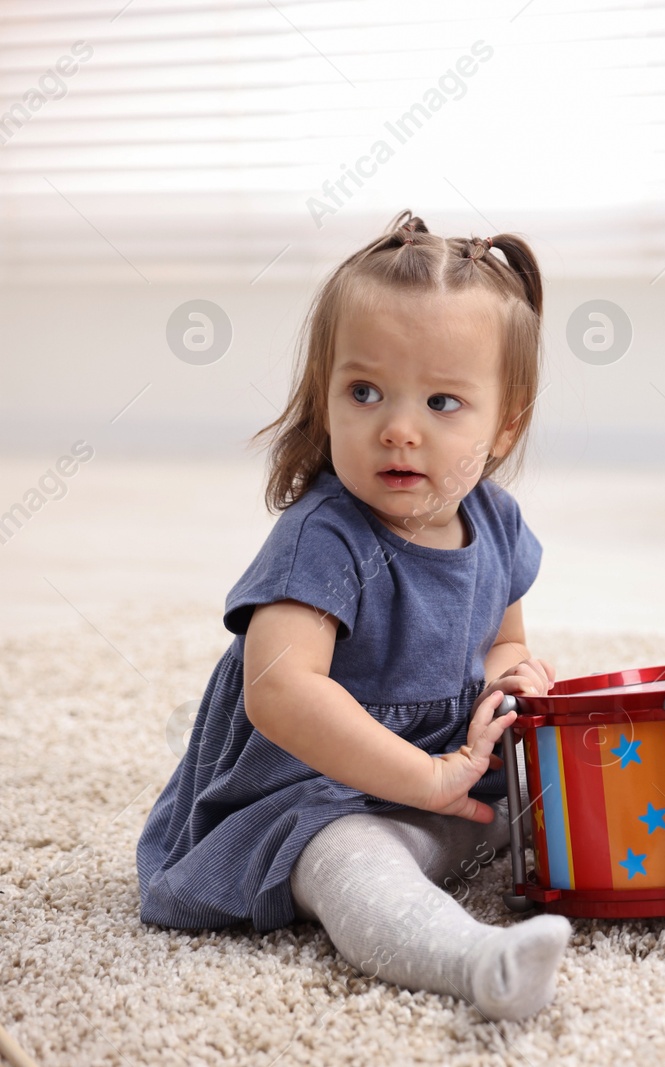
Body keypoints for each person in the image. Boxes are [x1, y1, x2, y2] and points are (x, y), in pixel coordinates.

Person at [136, 210, 570, 1021]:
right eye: (364, 392)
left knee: (568, 788)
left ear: (504, 423)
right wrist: (425, 780)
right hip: (315, 795)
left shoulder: (497, 523)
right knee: (351, 867)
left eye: (443, 401)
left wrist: (510, 673)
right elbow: (280, 690)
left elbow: (501, 636)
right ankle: (479, 963)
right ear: (325, 398)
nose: (398, 428)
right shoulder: (321, 538)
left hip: (443, 778)